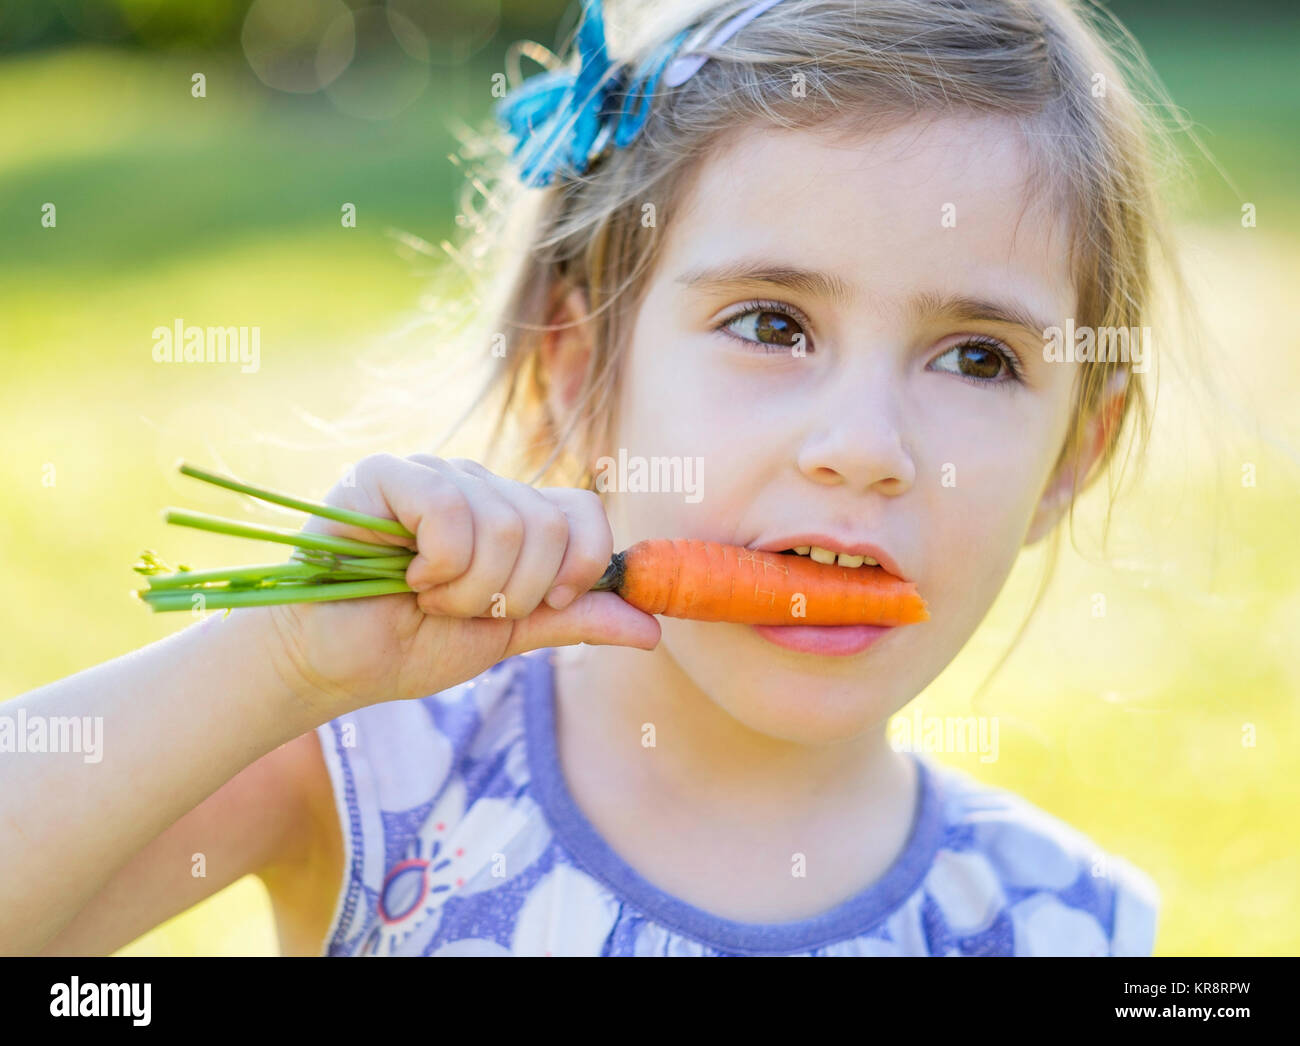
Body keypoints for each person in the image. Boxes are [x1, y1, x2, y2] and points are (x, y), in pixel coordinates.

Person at [6, 0, 1180, 956]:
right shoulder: (379, 762)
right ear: (578, 370)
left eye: (978, 357)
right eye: (771, 325)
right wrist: (275, 664)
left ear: (1070, 456)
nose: (863, 444)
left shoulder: (1059, 920)